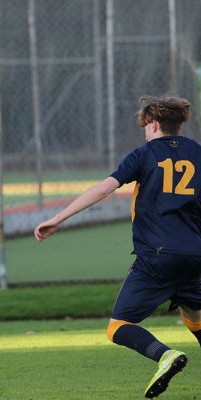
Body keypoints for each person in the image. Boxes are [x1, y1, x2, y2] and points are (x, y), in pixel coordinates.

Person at [34, 96, 201, 399]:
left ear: (153, 124)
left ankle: (165, 355)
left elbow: (103, 189)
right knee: (195, 317)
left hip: (156, 257)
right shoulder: (198, 153)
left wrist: (58, 218)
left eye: (145, 126)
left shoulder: (144, 153)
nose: (145, 132)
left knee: (118, 326)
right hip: (194, 256)